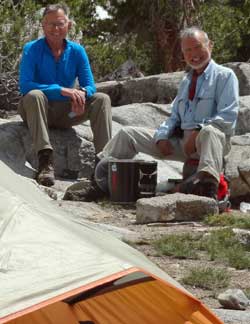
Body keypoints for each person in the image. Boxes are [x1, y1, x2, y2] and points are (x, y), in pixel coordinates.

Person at [69, 26, 239, 202]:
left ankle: (207, 190)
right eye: (188, 50)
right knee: (127, 134)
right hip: (184, 142)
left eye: (197, 47)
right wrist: (162, 137)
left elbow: (228, 116)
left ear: (210, 46)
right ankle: (99, 183)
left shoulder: (225, 76)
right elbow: (174, 117)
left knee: (210, 132)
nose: (193, 53)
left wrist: (198, 131)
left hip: (210, 142)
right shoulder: (186, 81)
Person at [18, 3, 112, 187]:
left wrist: (82, 94)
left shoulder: (77, 51)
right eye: (50, 24)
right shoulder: (31, 49)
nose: (55, 28)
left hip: (68, 114)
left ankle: (103, 164)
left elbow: (90, 85)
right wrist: (61, 90)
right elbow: (25, 85)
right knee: (34, 94)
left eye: (60, 23)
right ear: (43, 26)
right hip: (37, 110)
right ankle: (45, 162)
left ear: (68, 25)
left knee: (102, 99)